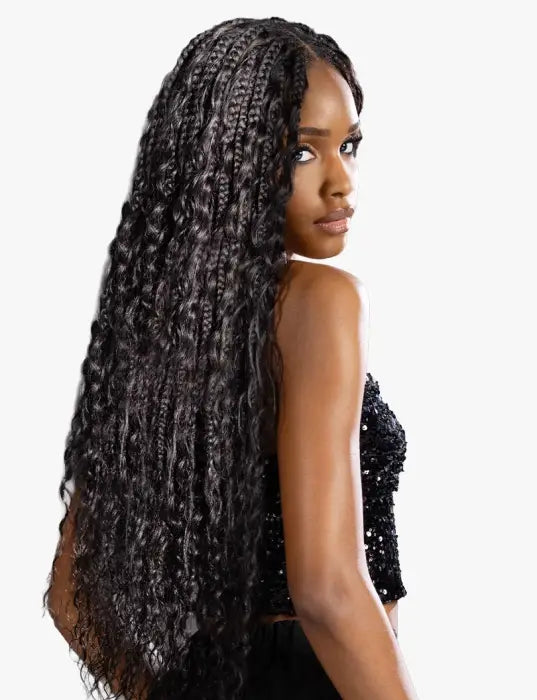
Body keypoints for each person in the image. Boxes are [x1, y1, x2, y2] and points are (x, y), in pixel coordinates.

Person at [42, 16, 419, 700]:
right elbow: (328, 591)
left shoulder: (169, 329)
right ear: (230, 158)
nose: (341, 181)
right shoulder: (322, 302)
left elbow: (72, 597)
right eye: (302, 152)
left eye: (349, 145)